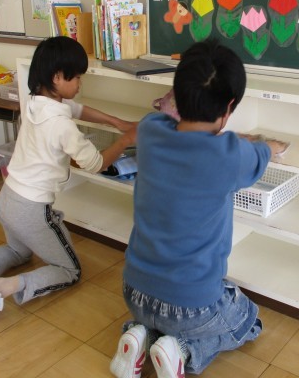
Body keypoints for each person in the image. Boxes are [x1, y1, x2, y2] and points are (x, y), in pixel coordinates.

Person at [110, 40, 288, 377]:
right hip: (190, 306)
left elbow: (178, 130)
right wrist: (270, 146)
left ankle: (139, 335)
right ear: (229, 107)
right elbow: (261, 152)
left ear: (177, 93)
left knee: (181, 309)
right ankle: (182, 350)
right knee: (248, 321)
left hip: (133, 291)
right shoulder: (231, 155)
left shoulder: (149, 130)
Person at [0, 36, 137, 318]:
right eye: (77, 78)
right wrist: (126, 140)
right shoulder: (62, 125)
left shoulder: (36, 103)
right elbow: (95, 164)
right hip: (32, 209)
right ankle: (7, 286)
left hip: (7, 198)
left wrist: (117, 122)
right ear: (57, 77)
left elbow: (77, 108)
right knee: (69, 270)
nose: (80, 84)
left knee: (19, 251)